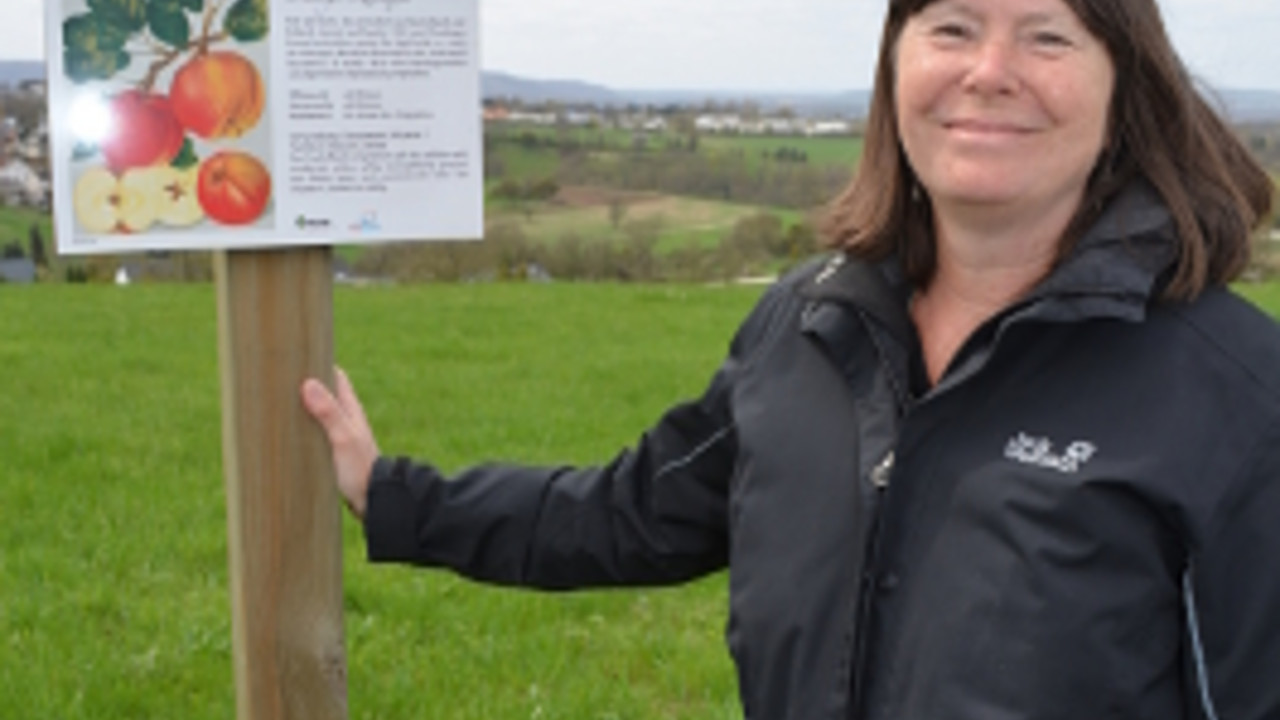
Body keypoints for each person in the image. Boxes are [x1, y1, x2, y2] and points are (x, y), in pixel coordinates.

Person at [302, 0, 1280, 716]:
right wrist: (394, 494)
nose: (989, 69)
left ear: (1122, 87)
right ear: (894, 65)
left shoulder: (1231, 391)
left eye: (1047, 34)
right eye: (950, 26)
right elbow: (630, 513)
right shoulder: (811, 326)